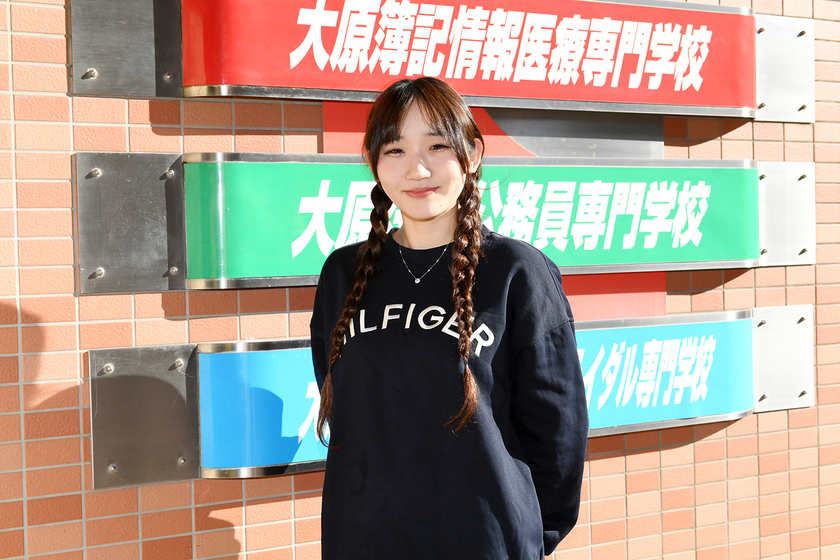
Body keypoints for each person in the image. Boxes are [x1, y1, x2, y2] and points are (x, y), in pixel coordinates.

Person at [310, 76, 588, 559]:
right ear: (373, 162)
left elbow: (558, 430)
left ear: (472, 154)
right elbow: (347, 404)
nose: (417, 168)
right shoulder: (343, 273)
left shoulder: (515, 270)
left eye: (437, 146)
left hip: (483, 541)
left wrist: (523, 534)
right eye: (395, 150)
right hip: (363, 541)